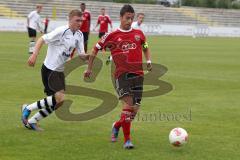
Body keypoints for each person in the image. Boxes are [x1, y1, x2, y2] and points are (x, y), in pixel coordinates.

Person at [84, 5, 152, 149]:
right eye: (127, 18)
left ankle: (116, 125)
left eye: (131, 18)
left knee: (133, 111)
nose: (129, 20)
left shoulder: (139, 33)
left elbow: (145, 46)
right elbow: (95, 49)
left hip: (138, 76)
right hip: (121, 76)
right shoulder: (111, 35)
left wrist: (149, 60)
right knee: (127, 107)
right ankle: (127, 140)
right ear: (120, 17)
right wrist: (89, 68)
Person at [21, 10, 89, 131]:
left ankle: (32, 121)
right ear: (70, 19)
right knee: (60, 98)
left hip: (59, 71)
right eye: (77, 20)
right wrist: (34, 55)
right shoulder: (61, 31)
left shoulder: (79, 35)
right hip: (49, 69)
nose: (80, 23)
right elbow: (42, 39)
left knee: (58, 103)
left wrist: (89, 58)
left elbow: (81, 54)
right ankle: (28, 108)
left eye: (81, 21)